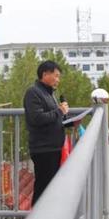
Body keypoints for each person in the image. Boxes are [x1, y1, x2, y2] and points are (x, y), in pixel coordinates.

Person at [23, 61, 71, 206]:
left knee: (51, 187)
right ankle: (37, 217)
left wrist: (70, 121)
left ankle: (48, 216)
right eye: (56, 76)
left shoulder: (49, 94)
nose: (58, 80)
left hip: (53, 148)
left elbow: (53, 118)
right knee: (43, 187)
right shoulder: (33, 93)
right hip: (43, 148)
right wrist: (59, 111)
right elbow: (37, 118)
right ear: (45, 74)